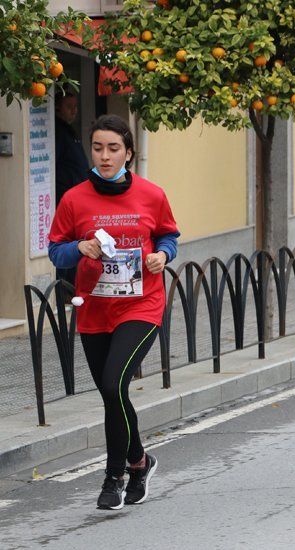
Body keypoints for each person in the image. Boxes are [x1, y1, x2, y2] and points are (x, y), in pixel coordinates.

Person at [47, 114, 179, 510]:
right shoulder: (74, 198)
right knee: (112, 392)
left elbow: (169, 234)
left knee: (112, 383)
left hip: (141, 303)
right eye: (98, 147)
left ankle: (113, 477)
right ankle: (140, 461)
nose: (105, 156)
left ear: (129, 153)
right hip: (94, 308)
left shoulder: (151, 194)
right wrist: (79, 249)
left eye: (113, 148)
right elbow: (56, 248)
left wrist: (161, 255)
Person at [54, 91, 90, 295]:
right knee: (68, 244)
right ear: (58, 107)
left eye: (75, 107)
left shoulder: (68, 130)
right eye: (69, 106)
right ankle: (65, 290)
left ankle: (71, 289)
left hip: (76, 198)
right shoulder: (58, 131)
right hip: (65, 198)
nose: (74, 111)